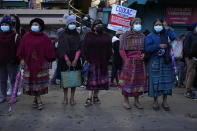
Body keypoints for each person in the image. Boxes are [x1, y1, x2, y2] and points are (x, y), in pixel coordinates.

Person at [17, 18, 56, 110]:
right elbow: (21, 48)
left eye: (37, 25)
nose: (34, 26)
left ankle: (37, 99)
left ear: (41, 26)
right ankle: (38, 100)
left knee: (38, 84)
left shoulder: (45, 37)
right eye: (33, 24)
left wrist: (49, 60)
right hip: (29, 63)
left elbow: (49, 50)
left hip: (41, 64)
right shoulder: (26, 36)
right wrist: (22, 59)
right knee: (33, 83)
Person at [145, 19, 176, 111]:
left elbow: (174, 37)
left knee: (166, 82)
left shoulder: (166, 34)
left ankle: (165, 101)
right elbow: (147, 48)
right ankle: (155, 101)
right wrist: (158, 46)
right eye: (156, 24)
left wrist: (167, 28)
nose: (158, 26)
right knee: (155, 82)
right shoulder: (150, 36)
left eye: (160, 24)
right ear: (153, 26)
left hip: (166, 61)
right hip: (154, 61)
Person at [119, 18, 147, 109]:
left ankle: (136, 101)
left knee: (138, 82)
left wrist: (144, 55)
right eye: (136, 23)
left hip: (140, 62)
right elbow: (121, 49)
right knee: (127, 81)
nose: (138, 24)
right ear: (131, 25)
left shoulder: (143, 36)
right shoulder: (125, 35)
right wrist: (126, 60)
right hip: (129, 62)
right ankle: (125, 101)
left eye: (139, 23)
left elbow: (144, 50)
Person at [83, 19, 112, 107]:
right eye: (96, 25)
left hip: (102, 62)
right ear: (93, 27)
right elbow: (84, 48)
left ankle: (95, 96)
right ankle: (89, 98)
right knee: (91, 81)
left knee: (99, 82)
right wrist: (85, 59)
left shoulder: (106, 36)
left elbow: (109, 49)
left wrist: (107, 60)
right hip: (91, 62)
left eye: (100, 24)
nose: (98, 26)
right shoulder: (88, 35)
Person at [56, 14, 81, 105]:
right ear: (67, 24)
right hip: (64, 60)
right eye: (70, 23)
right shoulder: (63, 34)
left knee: (74, 80)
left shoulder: (78, 35)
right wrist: (66, 59)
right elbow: (61, 48)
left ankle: (72, 98)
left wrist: (75, 59)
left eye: (74, 23)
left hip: (75, 60)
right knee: (65, 80)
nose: (72, 24)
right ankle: (65, 97)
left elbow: (79, 48)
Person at [0, 15, 20, 103]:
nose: (4, 25)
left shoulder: (15, 36)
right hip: (1, 62)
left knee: (13, 80)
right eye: (3, 24)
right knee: (2, 80)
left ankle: (13, 96)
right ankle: (3, 96)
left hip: (12, 62)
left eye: (6, 24)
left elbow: (19, 49)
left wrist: (17, 59)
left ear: (10, 25)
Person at [6, 14, 25, 96]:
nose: (12, 20)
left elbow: (23, 43)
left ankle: (18, 89)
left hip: (18, 56)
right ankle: (11, 88)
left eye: (14, 19)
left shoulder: (21, 30)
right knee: (9, 76)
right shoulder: (6, 29)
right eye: (11, 19)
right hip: (8, 56)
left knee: (18, 74)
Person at [184, 22, 197, 99]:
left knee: (190, 73)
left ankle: (188, 88)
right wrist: (189, 56)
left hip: (194, 57)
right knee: (192, 73)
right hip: (191, 57)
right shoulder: (189, 35)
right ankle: (188, 91)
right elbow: (186, 46)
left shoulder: (195, 35)